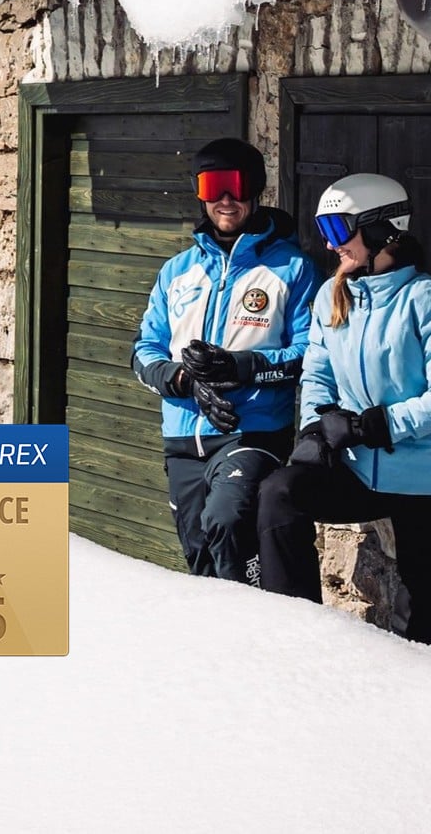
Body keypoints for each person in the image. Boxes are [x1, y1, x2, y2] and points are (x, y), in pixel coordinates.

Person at [257, 172, 431, 650]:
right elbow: (316, 374)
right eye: (325, 231)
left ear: (382, 229)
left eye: (340, 230)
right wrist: (317, 430)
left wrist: (371, 425)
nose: (330, 244)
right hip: (360, 472)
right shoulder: (331, 296)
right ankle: (294, 629)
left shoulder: (430, 301)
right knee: (281, 492)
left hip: (429, 482)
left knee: (420, 627)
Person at [131, 136, 319, 584]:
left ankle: (252, 625)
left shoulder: (291, 269)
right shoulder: (177, 271)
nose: (225, 199)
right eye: (212, 186)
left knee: (228, 520)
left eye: (234, 185)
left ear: (255, 188)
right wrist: (182, 380)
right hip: (182, 441)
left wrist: (240, 366)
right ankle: (215, 643)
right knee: (198, 550)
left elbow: (309, 354)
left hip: (249, 430)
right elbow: (143, 350)